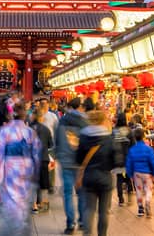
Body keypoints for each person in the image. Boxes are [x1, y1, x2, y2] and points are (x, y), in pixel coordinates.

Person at [0, 101, 41, 235]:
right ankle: (22, 222)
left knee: (12, 196)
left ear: (11, 115)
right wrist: (36, 169)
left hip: (11, 166)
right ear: (24, 116)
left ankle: (18, 223)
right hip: (27, 166)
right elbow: (36, 152)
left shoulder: (5, 131)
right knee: (24, 195)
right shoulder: (30, 132)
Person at [76, 110, 120, 236]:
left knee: (89, 209)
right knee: (104, 211)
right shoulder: (109, 138)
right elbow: (117, 161)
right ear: (103, 121)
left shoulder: (84, 137)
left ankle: (87, 233)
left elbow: (78, 159)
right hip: (105, 178)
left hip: (88, 177)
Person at [55, 97, 88, 234]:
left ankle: (70, 224)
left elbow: (56, 141)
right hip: (80, 163)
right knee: (81, 193)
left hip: (66, 162)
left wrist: (59, 156)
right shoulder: (85, 122)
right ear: (79, 107)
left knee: (68, 193)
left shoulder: (62, 121)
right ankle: (82, 221)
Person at [126, 127, 154, 218]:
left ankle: (140, 209)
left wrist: (130, 174)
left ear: (134, 138)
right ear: (144, 136)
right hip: (147, 173)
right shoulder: (148, 149)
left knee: (138, 190)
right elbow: (153, 162)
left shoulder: (132, 149)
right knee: (148, 189)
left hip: (136, 173)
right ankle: (147, 202)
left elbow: (129, 163)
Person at [31, 105, 54, 214]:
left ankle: (34, 205)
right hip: (43, 158)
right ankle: (40, 202)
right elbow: (50, 145)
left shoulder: (29, 128)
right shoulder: (46, 129)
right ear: (42, 117)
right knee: (42, 182)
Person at [112, 111, 133, 207]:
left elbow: (111, 145)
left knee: (119, 178)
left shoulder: (114, 131)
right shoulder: (129, 131)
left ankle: (120, 199)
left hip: (117, 158)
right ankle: (129, 197)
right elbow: (133, 145)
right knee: (128, 177)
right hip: (128, 158)